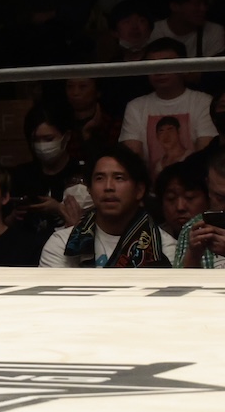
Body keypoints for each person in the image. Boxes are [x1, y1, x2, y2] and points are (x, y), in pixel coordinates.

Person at [39, 144, 165, 268]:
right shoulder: (61, 244)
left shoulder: (163, 247)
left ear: (139, 190)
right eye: (99, 178)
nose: (108, 187)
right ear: (89, 189)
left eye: (119, 178)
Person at [119, 41, 216, 176]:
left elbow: (207, 156)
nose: (159, 71)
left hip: (195, 186)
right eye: (153, 65)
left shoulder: (204, 102)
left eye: (167, 64)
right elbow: (131, 162)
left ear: (184, 67)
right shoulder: (135, 106)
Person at [173, 150, 225, 269]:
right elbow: (179, 280)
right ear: (208, 186)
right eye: (220, 198)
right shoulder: (193, 229)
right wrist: (193, 256)